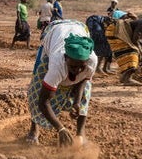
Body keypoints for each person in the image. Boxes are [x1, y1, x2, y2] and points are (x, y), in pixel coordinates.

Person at [25, 19, 97, 147]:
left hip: (79, 28)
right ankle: (34, 129)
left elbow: (83, 81)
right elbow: (43, 101)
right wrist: (61, 128)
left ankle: (81, 134)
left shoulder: (92, 60)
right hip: (54, 32)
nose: (78, 70)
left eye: (82, 66)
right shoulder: (56, 63)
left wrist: (76, 102)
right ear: (66, 58)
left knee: (86, 92)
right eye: (74, 66)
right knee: (37, 87)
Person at [104, 12, 142, 86]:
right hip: (116, 32)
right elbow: (135, 40)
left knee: (124, 53)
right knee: (133, 55)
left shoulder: (134, 22)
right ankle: (127, 79)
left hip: (111, 32)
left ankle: (124, 78)